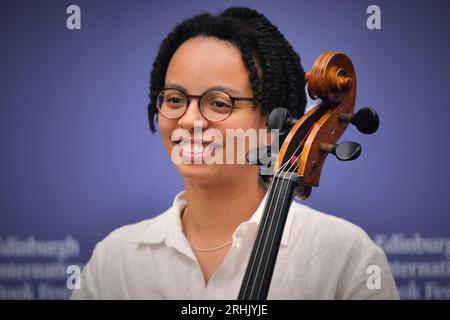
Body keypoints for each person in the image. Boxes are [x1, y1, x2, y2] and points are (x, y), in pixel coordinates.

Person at [71, 6, 399, 300]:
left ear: (272, 117)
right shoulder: (115, 260)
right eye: (174, 99)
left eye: (218, 103)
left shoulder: (345, 258)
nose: (188, 119)